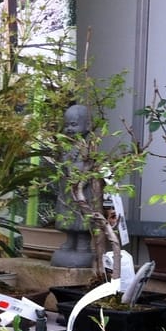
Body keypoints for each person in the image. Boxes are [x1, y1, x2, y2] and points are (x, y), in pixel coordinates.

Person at [51, 104, 97, 268]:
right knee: (67, 213)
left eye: (74, 124)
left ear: (87, 125)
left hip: (83, 189)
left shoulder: (89, 146)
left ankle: (83, 244)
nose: (69, 129)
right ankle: (70, 240)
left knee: (82, 216)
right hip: (67, 189)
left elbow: (89, 166)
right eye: (67, 125)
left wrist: (79, 171)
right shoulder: (66, 146)